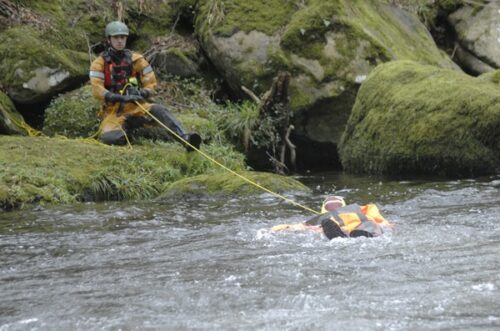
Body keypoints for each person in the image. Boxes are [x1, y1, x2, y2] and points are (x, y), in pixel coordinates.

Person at [89, 21, 201, 150]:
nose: (120, 41)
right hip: (113, 111)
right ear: (109, 39)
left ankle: (185, 138)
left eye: (123, 37)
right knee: (109, 138)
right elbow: (97, 90)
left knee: (159, 110)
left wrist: (143, 93)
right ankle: (127, 132)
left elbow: (151, 82)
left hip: (136, 106)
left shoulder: (136, 59)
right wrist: (119, 97)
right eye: (116, 37)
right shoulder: (99, 63)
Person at [271, 196, 391, 239]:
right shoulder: (362, 210)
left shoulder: (319, 220)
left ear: (323, 210)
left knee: (317, 230)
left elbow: (290, 228)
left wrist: (273, 230)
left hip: (331, 228)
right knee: (372, 225)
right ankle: (364, 235)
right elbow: (385, 224)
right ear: (345, 205)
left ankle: (339, 237)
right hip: (362, 226)